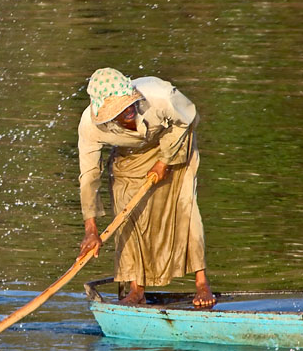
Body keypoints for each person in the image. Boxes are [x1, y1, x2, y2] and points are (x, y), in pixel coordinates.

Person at [77, 67, 215, 308]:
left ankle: (202, 283)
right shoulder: (90, 126)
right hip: (130, 156)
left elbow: (188, 119)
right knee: (126, 213)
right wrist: (91, 228)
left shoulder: (159, 95)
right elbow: (89, 175)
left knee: (185, 206)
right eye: (121, 109)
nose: (129, 109)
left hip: (173, 141)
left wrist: (164, 161)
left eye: (130, 103)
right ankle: (136, 289)